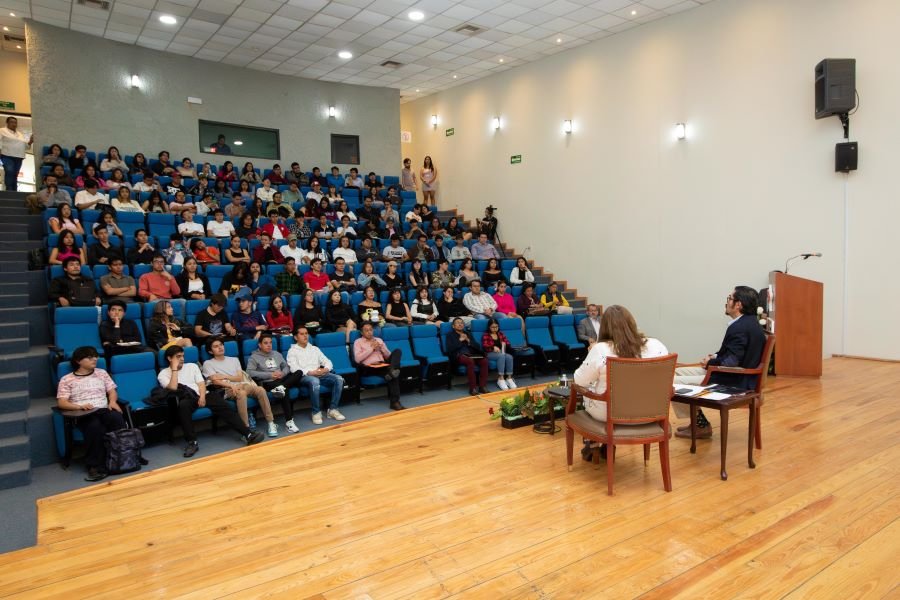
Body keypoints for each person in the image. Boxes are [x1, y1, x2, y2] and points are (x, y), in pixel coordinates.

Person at [573, 305, 669, 460]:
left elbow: (579, 381)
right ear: (632, 323)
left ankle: (594, 443)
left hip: (610, 413)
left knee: (591, 388)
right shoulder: (656, 345)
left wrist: (591, 353)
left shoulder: (601, 349)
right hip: (651, 411)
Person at [672, 286, 767, 439]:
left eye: (729, 298)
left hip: (734, 382)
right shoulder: (748, 323)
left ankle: (701, 425)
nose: (726, 302)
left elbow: (731, 362)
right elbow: (734, 354)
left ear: (738, 305)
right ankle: (699, 422)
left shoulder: (740, 327)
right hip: (734, 375)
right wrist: (714, 357)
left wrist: (711, 363)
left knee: (671, 384)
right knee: (673, 373)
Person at [159, 345, 263, 458]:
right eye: (178, 357)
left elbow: (201, 383)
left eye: (183, 356)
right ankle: (192, 442)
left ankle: (248, 434)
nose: (182, 359)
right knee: (183, 407)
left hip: (203, 394)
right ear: (170, 358)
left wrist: (202, 397)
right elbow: (173, 387)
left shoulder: (192, 366)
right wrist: (174, 369)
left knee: (223, 405)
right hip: (186, 398)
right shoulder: (163, 374)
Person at [56, 346, 126, 481]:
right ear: (78, 361)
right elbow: (62, 403)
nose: (95, 359)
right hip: (84, 413)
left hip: (103, 409)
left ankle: (123, 458)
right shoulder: (66, 379)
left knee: (116, 418)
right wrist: (79, 406)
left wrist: (112, 401)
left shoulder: (102, 373)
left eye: (95, 356)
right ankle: (94, 466)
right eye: (89, 357)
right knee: (94, 427)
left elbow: (112, 391)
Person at [202, 337, 276, 436]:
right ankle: (246, 430)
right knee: (241, 393)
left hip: (242, 384)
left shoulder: (234, 360)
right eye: (216, 346)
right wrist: (230, 384)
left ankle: (271, 422)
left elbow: (239, 378)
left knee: (261, 390)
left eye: (221, 345)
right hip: (225, 389)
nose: (220, 348)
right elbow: (215, 381)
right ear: (210, 351)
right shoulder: (208, 363)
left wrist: (224, 376)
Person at [286, 326, 346, 424]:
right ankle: (316, 412)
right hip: (304, 377)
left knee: (339, 379)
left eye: (306, 333)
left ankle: (333, 409)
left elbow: (327, 361)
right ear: (296, 337)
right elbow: (294, 369)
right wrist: (310, 372)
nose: (305, 336)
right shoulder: (292, 351)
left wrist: (326, 369)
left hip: (320, 374)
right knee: (314, 381)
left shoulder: (314, 349)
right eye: (302, 334)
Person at [246, 333, 303, 433]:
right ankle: (289, 422)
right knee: (284, 389)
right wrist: (270, 375)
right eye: (266, 343)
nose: (269, 345)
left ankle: (281, 387)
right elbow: (249, 372)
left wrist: (282, 373)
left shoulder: (276, 354)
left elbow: (286, 366)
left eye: (270, 343)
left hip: (281, 379)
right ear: (260, 345)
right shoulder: (254, 357)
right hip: (268, 382)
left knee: (299, 372)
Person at [353, 322, 405, 410]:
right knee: (394, 376)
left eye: (371, 330)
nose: (369, 332)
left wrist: (382, 348)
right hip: (369, 367)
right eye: (366, 331)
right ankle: (395, 402)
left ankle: (392, 370)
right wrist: (371, 349)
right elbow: (357, 359)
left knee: (397, 351)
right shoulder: (358, 342)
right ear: (361, 332)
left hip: (382, 364)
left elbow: (388, 356)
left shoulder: (379, 340)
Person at [446, 317, 488, 395]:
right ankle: (473, 388)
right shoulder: (450, 335)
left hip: (471, 354)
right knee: (470, 361)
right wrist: (460, 340)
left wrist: (469, 341)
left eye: (462, 323)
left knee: (484, 361)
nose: (460, 324)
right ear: (453, 326)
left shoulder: (468, 333)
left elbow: (477, 346)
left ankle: (482, 386)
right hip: (459, 355)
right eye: (458, 323)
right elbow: (450, 349)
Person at [481, 318, 517, 390]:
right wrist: (492, 347)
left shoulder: (500, 334)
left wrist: (505, 344)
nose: (495, 329)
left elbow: (507, 342)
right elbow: (485, 347)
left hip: (501, 352)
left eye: (496, 327)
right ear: (489, 327)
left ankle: (509, 378)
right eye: (493, 327)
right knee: (501, 356)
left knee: (509, 357)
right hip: (489, 353)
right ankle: (501, 378)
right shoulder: (486, 335)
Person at [1, 116, 34, 191]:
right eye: (12, 122)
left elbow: (26, 146)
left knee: (15, 174)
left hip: (19, 156)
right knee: (9, 171)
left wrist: (30, 141)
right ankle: (9, 190)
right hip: (6, 155)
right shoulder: (2, 130)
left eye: (15, 122)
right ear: (7, 123)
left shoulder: (20, 134)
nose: (14, 124)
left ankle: (14, 190)